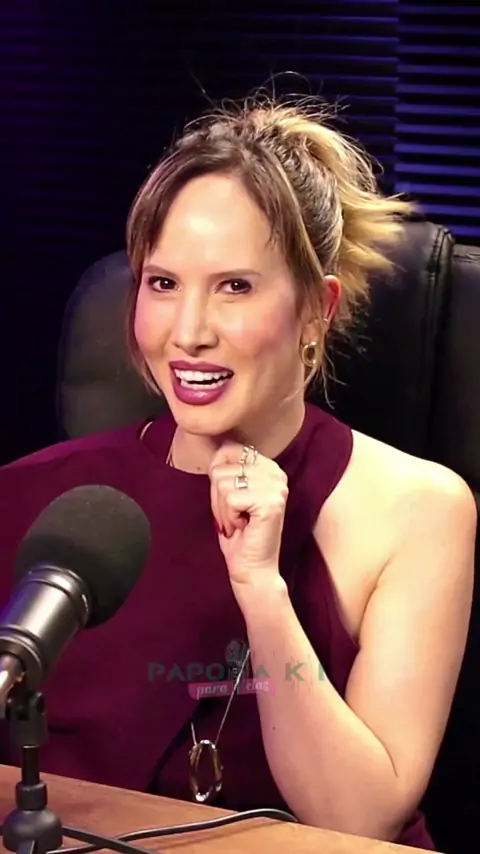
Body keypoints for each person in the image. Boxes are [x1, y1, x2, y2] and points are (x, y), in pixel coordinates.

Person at [0, 97, 476, 850]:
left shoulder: (418, 508)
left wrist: (261, 588)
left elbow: (359, 821)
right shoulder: (33, 497)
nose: (188, 333)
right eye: (162, 284)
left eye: (235, 286)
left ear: (317, 310)